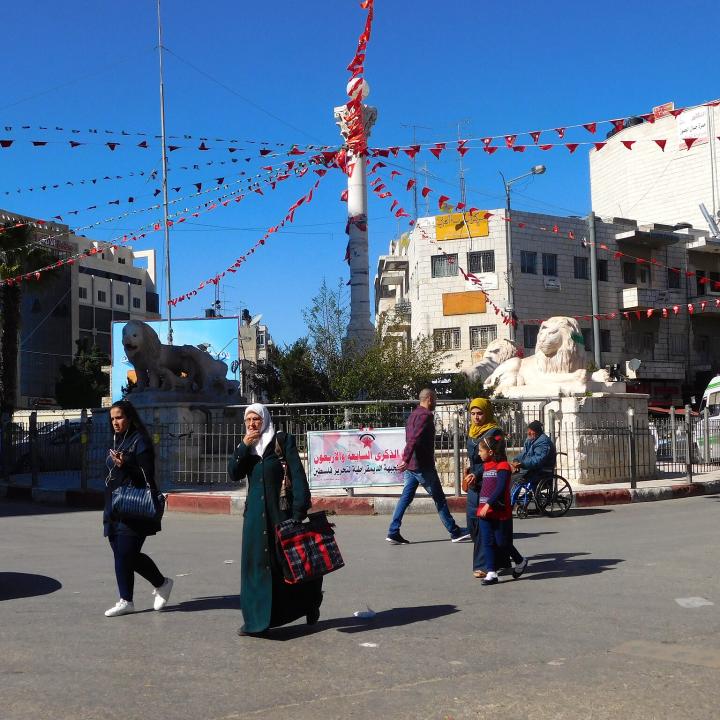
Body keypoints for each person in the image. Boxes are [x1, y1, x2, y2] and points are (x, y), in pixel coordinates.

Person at [228, 403, 323, 637]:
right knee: (255, 567)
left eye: (256, 420)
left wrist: (300, 511)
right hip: (254, 518)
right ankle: (256, 621)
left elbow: (298, 476)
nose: (252, 424)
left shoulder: (282, 441)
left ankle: (310, 602)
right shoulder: (247, 449)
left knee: (288, 566)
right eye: (248, 420)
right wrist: (242, 447)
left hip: (280, 514)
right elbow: (233, 474)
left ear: (265, 420)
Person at [103, 400, 173, 617]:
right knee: (122, 555)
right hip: (115, 505)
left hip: (135, 506)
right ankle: (158, 585)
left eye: (119, 417)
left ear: (130, 418)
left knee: (126, 554)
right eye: (112, 418)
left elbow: (147, 475)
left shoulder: (139, 441)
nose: (115, 422)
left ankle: (128, 599)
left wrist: (127, 465)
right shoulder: (119, 440)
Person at [387, 388, 471, 545]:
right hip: (422, 466)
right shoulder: (425, 415)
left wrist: (407, 459)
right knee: (439, 498)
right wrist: (405, 458)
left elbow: (410, 438)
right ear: (430, 399)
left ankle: (393, 531)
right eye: (436, 399)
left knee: (405, 498)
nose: (436, 402)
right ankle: (454, 532)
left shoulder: (413, 414)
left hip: (412, 465)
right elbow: (413, 438)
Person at [476, 431, 528, 585]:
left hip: (498, 510)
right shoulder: (485, 466)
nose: (479, 454)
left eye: (481, 451)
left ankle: (520, 561)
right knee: (487, 541)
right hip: (484, 510)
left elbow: (499, 489)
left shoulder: (503, 466)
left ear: (490, 452)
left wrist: (488, 504)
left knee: (502, 542)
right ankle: (492, 572)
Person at [463, 397, 501, 579]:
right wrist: (469, 471)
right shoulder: (472, 432)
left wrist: (476, 474)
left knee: (481, 522)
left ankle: (484, 565)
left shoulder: (494, 432)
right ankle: (501, 558)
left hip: (488, 480)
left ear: (487, 413)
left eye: (480, 413)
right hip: (473, 482)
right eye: (473, 414)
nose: (476, 417)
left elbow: (495, 460)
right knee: (471, 522)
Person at [511, 420, 557, 489]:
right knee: (510, 475)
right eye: (528, 430)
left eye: (531, 430)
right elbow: (524, 453)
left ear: (537, 432)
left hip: (541, 471)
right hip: (532, 469)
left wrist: (523, 464)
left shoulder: (543, 442)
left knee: (516, 478)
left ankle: (510, 498)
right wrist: (516, 460)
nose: (528, 432)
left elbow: (538, 460)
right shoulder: (530, 439)